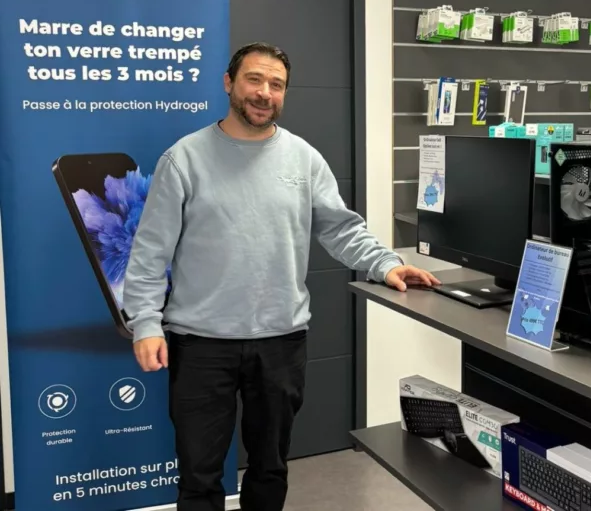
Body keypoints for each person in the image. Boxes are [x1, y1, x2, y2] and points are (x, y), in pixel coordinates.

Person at [122, 41, 440, 511]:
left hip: (281, 340)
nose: (264, 92)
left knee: (270, 467)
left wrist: (387, 264)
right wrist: (145, 324)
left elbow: (341, 229)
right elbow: (150, 252)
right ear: (229, 83)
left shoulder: (303, 159)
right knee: (198, 473)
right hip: (201, 343)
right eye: (254, 79)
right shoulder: (183, 159)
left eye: (276, 84)